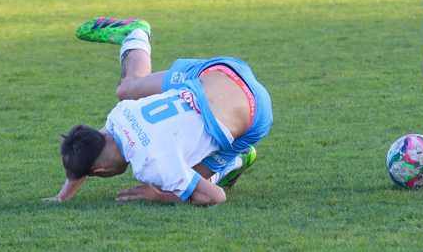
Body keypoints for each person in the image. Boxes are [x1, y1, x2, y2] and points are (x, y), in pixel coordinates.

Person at [43, 17, 274, 205]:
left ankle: (234, 162)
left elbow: (217, 197)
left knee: (181, 184)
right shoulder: (119, 116)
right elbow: (87, 148)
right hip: (221, 71)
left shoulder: (152, 165)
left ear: (101, 170)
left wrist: (158, 197)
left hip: (256, 113)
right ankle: (137, 37)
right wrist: (64, 195)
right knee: (127, 89)